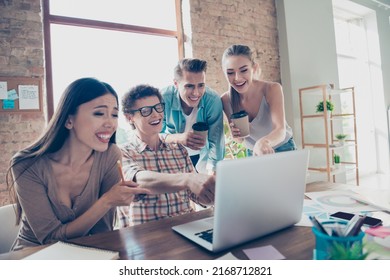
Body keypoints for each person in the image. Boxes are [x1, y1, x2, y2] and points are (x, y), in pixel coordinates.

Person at [6, 77, 149, 250]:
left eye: (114, 114)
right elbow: (49, 238)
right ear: (69, 120)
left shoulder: (110, 156)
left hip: (82, 252)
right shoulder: (26, 164)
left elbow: (102, 232)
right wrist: (107, 201)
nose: (110, 123)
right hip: (32, 255)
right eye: (99, 113)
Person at [117, 84, 215, 226]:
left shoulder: (178, 149)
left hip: (187, 229)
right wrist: (187, 179)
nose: (156, 114)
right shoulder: (122, 153)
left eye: (158, 107)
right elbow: (139, 181)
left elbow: (196, 195)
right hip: (147, 237)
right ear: (129, 118)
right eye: (145, 111)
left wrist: (211, 194)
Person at [221, 44, 297, 156]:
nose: (237, 78)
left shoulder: (272, 89)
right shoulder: (226, 100)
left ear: (254, 68)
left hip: (283, 147)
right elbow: (240, 140)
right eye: (230, 73)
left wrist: (263, 142)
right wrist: (236, 135)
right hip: (252, 152)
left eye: (243, 70)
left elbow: (280, 130)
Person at [160, 58, 225, 175]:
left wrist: (213, 171)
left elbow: (216, 141)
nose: (196, 93)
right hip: (173, 159)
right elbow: (154, 136)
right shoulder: (163, 98)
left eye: (201, 85)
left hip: (203, 159)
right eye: (189, 86)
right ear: (176, 84)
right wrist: (178, 138)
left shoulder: (212, 100)